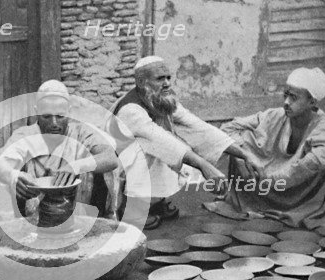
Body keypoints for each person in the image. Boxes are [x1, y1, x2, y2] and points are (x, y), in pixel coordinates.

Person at [104, 56, 259, 229]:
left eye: (168, 77)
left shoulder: (160, 99)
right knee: (161, 148)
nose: (167, 83)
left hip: (146, 154)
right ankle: (131, 210)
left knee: (170, 146)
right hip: (116, 168)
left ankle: (155, 203)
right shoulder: (130, 110)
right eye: (160, 79)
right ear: (141, 82)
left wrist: (244, 154)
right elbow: (162, 142)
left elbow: (197, 127)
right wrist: (204, 166)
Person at [204, 67, 325, 229]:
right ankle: (255, 203)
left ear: (312, 102)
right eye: (286, 95)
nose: (286, 102)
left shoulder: (323, 124)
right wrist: (245, 155)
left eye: (294, 98)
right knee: (239, 140)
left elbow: (319, 158)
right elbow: (228, 128)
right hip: (264, 179)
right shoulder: (275, 115)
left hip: (298, 188)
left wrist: (276, 179)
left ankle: (301, 210)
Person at [0, 80, 119, 217]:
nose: (54, 123)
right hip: (36, 218)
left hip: (79, 215)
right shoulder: (25, 135)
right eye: (46, 116)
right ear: (37, 112)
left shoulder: (81, 132)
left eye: (60, 116)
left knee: (99, 171)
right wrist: (13, 176)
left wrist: (76, 166)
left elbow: (110, 158)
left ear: (69, 112)